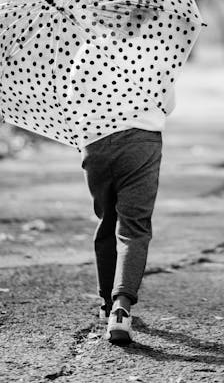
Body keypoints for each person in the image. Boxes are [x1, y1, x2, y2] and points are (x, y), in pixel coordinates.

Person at [80, 83, 176, 345]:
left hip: (96, 142)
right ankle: (121, 308)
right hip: (141, 142)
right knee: (133, 227)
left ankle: (106, 304)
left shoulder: (87, 50)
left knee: (107, 220)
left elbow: (73, 98)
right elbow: (168, 104)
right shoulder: (155, 52)